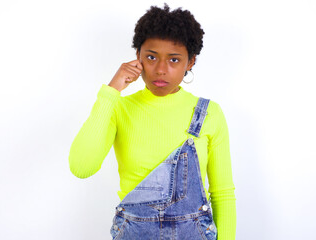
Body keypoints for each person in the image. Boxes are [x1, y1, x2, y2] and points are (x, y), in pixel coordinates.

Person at [68, 3, 236, 240]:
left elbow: (223, 194)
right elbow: (81, 167)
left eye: (174, 60)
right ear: (138, 57)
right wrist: (112, 90)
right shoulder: (119, 108)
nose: (160, 69)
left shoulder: (210, 113)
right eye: (151, 57)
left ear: (191, 62)